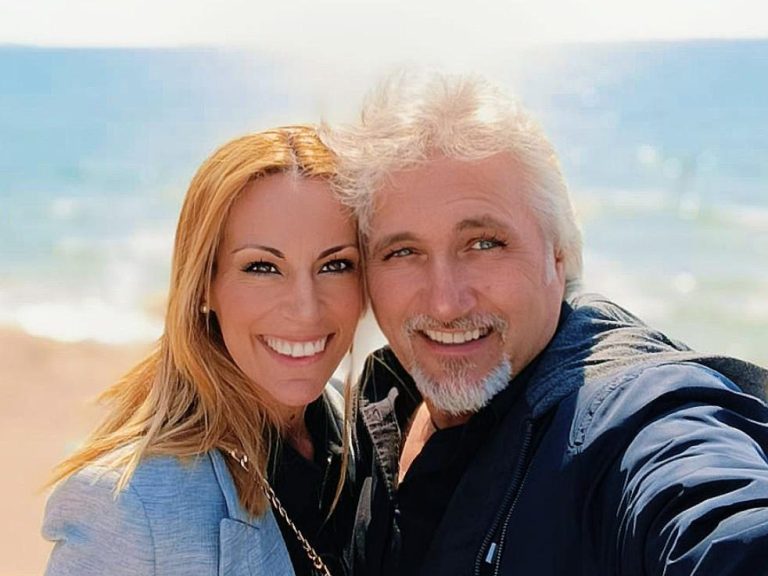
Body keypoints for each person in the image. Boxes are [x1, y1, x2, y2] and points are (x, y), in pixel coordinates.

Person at [323, 73, 768, 575]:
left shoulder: (625, 417)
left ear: (558, 254)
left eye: (484, 243)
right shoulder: (362, 417)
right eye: (403, 252)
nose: (445, 303)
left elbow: (717, 516)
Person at [42, 126, 363, 576]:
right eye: (263, 267)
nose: (306, 309)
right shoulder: (127, 506)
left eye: (335, 264)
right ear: (205, 286)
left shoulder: (368, 433)